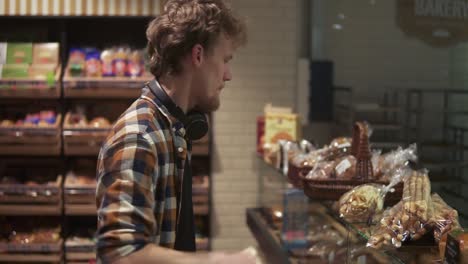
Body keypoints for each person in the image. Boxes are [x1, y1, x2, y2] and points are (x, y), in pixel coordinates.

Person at [95, 0, 254, 263]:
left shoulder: (172, 126)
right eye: (225, 60)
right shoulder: (140, 137)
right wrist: (219, 261)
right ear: (199, 55)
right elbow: (120, 254)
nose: (228, 75)